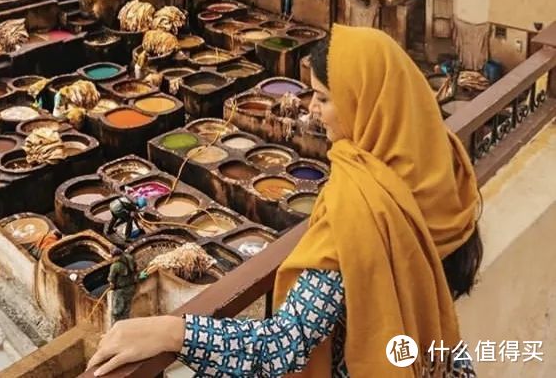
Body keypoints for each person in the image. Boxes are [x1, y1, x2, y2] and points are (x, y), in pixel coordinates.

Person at [88, 26, 482, 377]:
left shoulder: (360, 205)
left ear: (364, 103)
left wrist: (171, 331)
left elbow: (284, 346)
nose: (312, 108)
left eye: (324, 98)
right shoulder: (442, 163)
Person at [108, 249, 139, 323]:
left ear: (117, 256)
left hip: (121, 290)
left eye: (113, 257)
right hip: (131, 288)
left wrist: (111, 285)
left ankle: (117, 326)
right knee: (126, 309)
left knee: (117, 310)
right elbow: (136, 269)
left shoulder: (115, 266)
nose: (112, 259)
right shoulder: (129, 258)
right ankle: (125, 324)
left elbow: (111, 279)